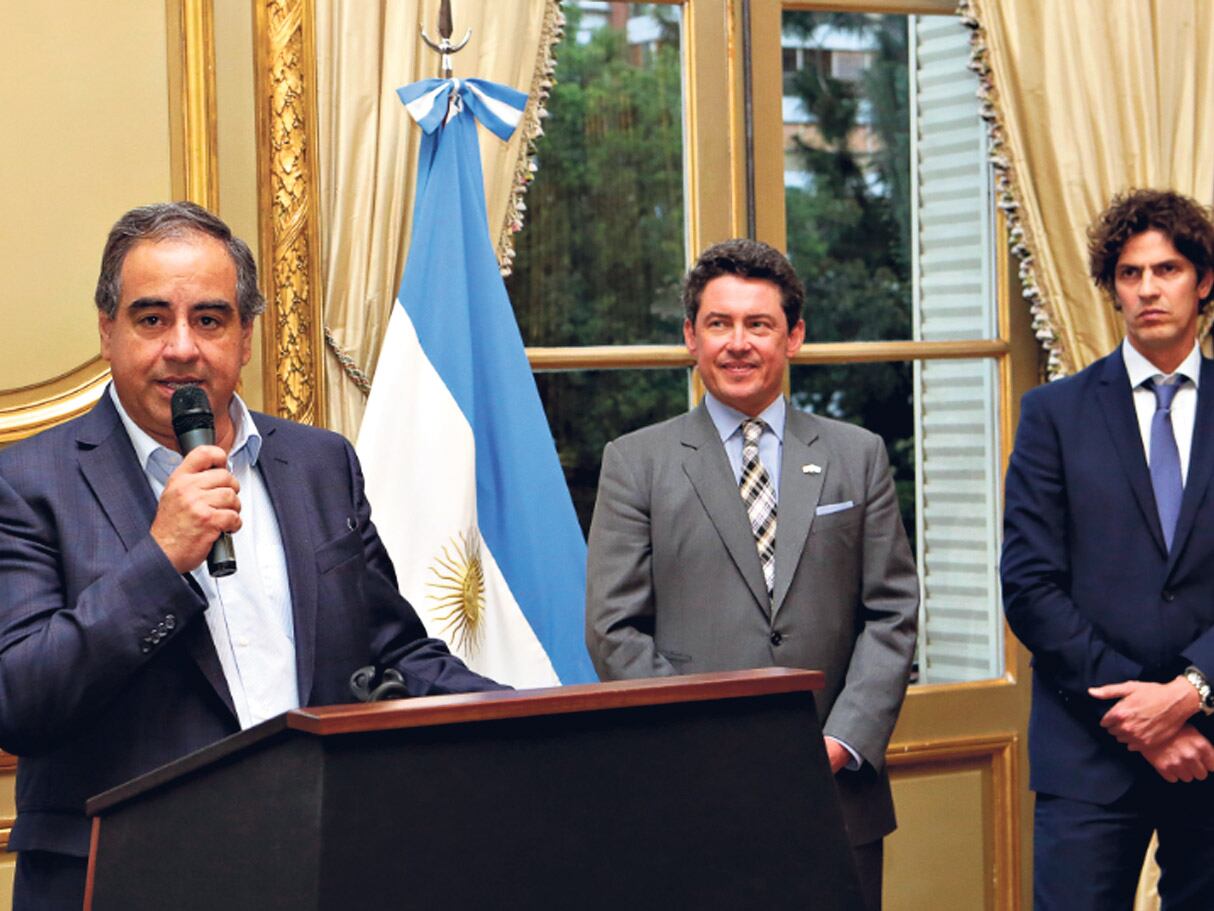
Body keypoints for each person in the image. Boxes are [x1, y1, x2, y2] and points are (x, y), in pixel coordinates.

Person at [0, 202, 505, 909]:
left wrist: (533, 719)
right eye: (152, 319)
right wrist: (160, 557)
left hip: (316, 865)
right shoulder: (27, 482)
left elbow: (393, 654)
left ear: (244, 337)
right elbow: (19, 698)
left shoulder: (321, 463)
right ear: (107, 331)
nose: (182, 346)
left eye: (209, 319)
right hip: (120, 881)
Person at [585, 238, 919, 911]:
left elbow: (892, 613)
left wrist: (842, 739)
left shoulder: (857, 456)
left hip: (835, 796)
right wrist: (706, 741)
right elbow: (612, 626)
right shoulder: (636, 462)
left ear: (794, 336)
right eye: (719, 323)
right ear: (691, 337)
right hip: (689, 796)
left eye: (758, 324)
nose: (738, 343)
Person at [1001, 188, 1214, 909]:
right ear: (1112, 288)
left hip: (1212, 744)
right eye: (1130, 273)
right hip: (1087, 757)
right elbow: (1030, 585)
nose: (1148, 288)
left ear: (1203, 280)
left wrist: (1190, 694)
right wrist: (1139, 718)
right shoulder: (1053, 414)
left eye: (1168, 269)